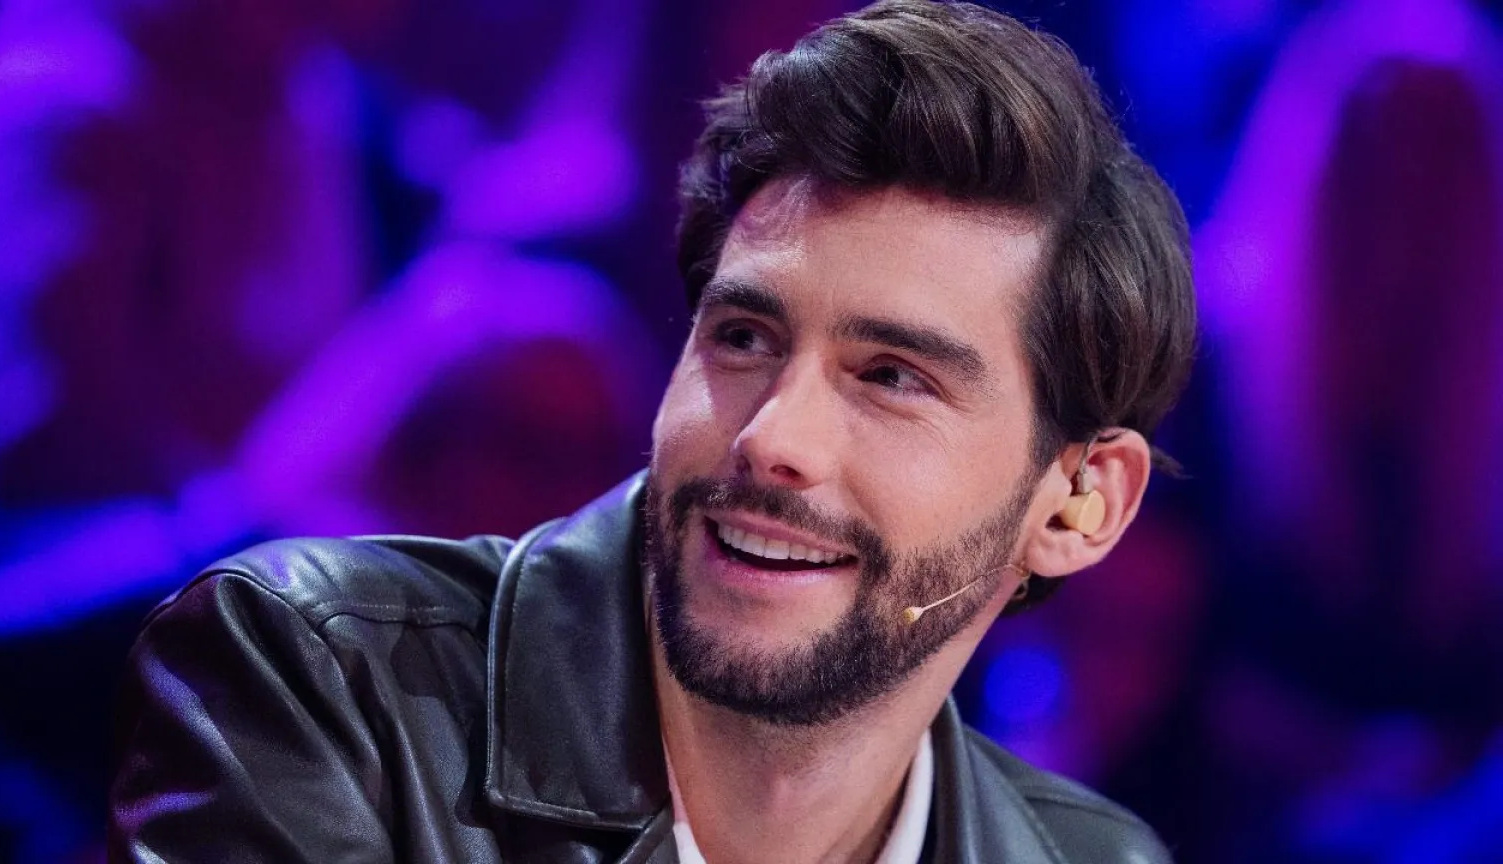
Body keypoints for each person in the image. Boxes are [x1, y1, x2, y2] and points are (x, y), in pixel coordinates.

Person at [107, 1, 1195, 861]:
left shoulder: (1092, 857)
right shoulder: (324, 691)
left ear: (1078, 504)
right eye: (744, 338)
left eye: (891, 377)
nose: (773, 438)